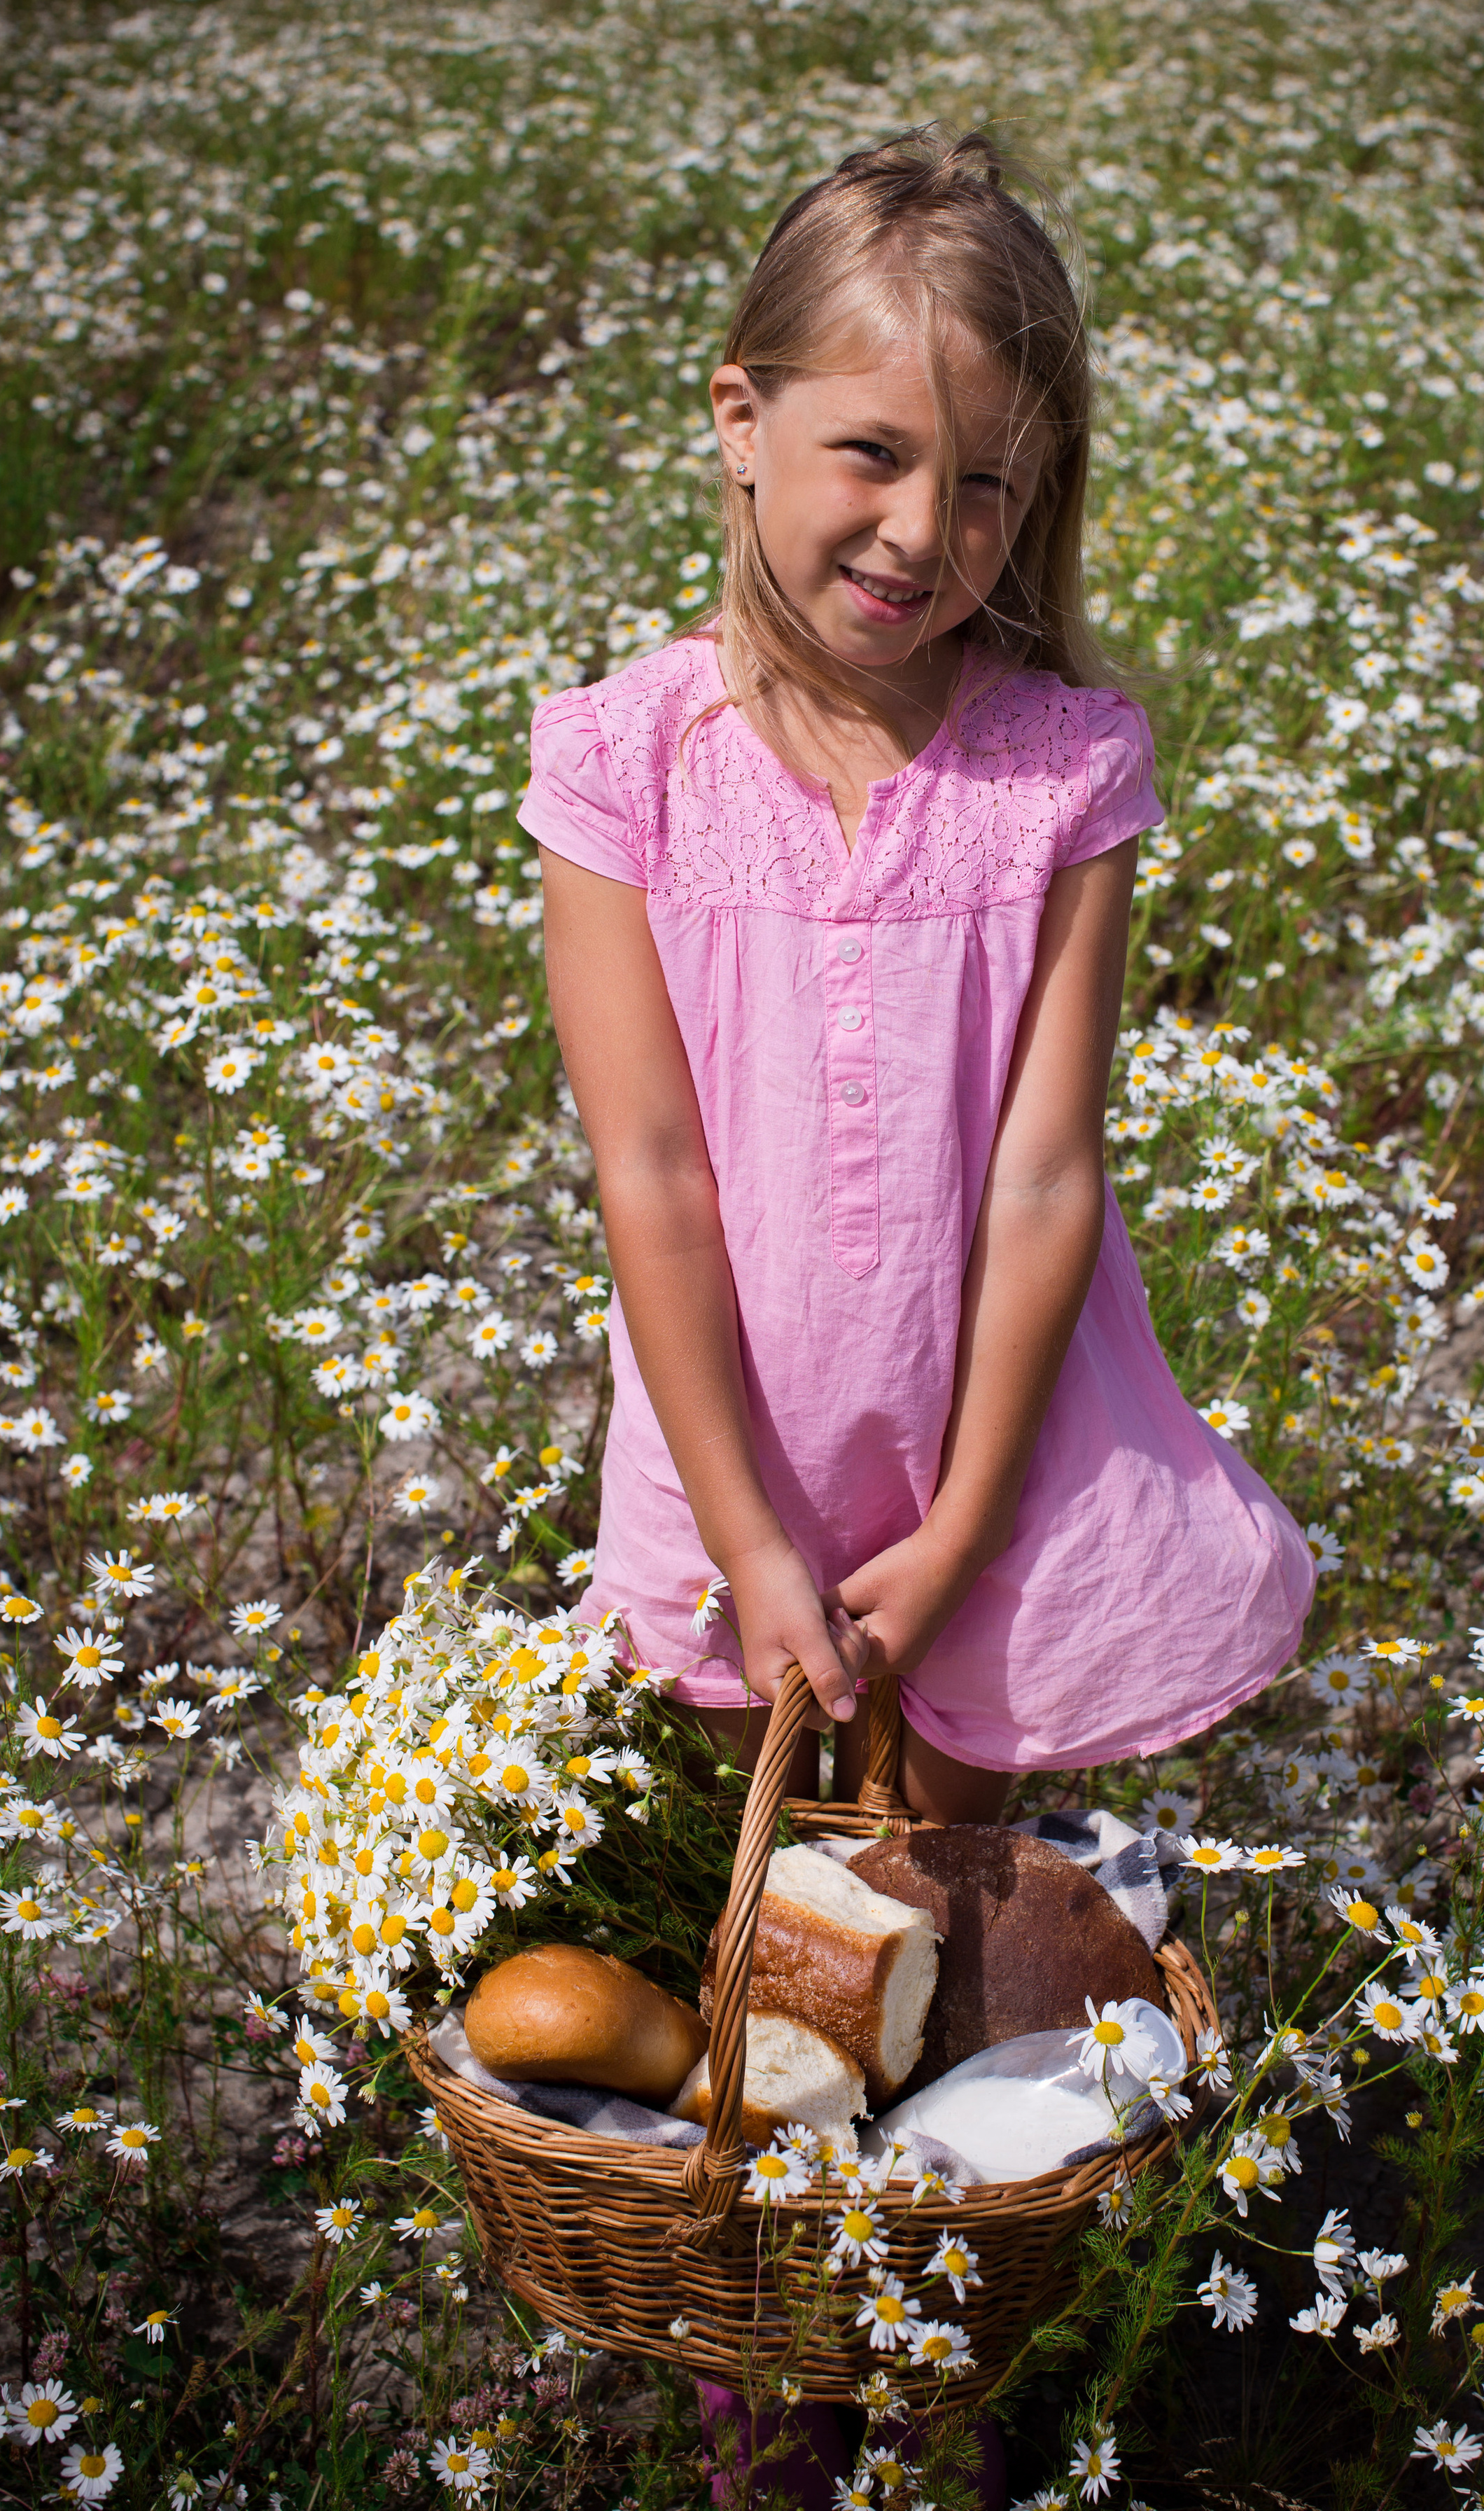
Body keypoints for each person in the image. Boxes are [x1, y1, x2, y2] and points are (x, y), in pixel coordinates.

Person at [519, 128, 1315, 2496]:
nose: (918, 529)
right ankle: (768, 2347)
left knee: (936, 1927)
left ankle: (922, 2322)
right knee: (770, 1910)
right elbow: (649, 1168)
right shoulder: (629, 756)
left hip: (995, 1435)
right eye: (870, 453)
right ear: (740, 418)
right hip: (742, 1429)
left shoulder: (1062, 762)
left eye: (985, 485)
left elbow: (1051, 1168)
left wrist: (964, 1517)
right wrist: (761, 1540)